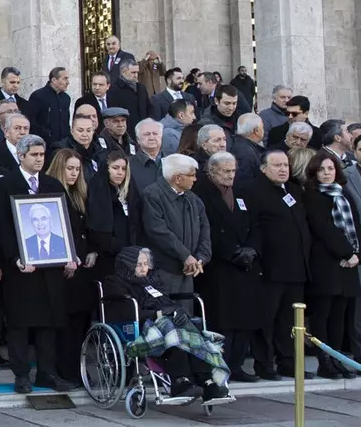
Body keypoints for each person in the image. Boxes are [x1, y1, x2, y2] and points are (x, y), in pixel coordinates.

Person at [0, 135, 74, 393]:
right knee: (20, 323)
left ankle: (47, 374)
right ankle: (21, 375)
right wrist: (15, 257)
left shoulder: (52, 184)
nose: (39, 159)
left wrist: (70, 253)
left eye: (41, 154)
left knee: (49, 323)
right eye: (34, 155)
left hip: (51, 267)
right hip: (21, 268)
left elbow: (65, 221)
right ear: (21, 156)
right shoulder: (6, 184)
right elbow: (2, 225)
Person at [105, 247, 231, 402]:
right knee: (173, 331)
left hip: (165, 322)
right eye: (139, 265)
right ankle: (180, 380)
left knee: (190, 330)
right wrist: (159, 314)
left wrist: (178, 311)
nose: (144, 268)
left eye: (146, 264)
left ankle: (207, 380)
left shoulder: (153, 280)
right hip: (140, 324)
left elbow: (167, 303)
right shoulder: (115, 282)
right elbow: (125, 311)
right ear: (127, 265)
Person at [192, 151, 262, 381]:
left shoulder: (241, 193)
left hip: (245, 265)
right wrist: (232, 253)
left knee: (244, 318)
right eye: (225, 171)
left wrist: (252, 249)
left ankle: (237, 365)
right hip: (220, 266)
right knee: (223, 319)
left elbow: (255, 224)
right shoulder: (201, 193)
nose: (231, 175)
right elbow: (206, 230)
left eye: (233, 171)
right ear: (212, 171)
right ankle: (220, 365)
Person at [250, 149, 310, 379]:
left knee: (290, 320)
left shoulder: (293, 190)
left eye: (285, 165)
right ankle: (265, 364)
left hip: (296, 268)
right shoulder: (254, 192)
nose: (283, 169)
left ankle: (288, 362)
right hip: (270, 268)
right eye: (277, 165)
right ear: (264, 169)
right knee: (267, 319)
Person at [301, 151, 361, 379]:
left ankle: (338, 360)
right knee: (323, 315)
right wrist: (346, 252)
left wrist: (356, 254)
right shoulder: (312, 196)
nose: (327, 173)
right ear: (314, 173)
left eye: (331, 168)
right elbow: (324, 228)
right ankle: (324, 361)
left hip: (348, 264)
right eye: (322, 170)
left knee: (339, 316)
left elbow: (355, 225)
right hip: (326, 263)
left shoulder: (343, 193)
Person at [46, 148, 98, 385]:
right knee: (66, 323)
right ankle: (66, 370)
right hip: (63, 269)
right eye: (69, 168)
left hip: (82, 267)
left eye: (77, 169)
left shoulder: (80, 195)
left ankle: (77, 370)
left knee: (80, 321)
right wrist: (67, 256)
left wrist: (92, 251)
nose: (74, 173)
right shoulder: (52, 193)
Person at [138, 154, 211, 305]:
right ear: (177, 178)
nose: (195, 179)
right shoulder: (152, 195)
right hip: (163, 270)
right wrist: (185, 255)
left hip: (188, 270)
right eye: (191, 175)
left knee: (186, 317)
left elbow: (205, 231)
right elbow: (158, 231)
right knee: (165, 316)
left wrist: (200, 258)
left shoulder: (194, 199)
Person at [87, 151, 135, 278]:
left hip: (130, 255)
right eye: (115, 168)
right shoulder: (98, 188)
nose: (120, 172)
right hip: (106, 255)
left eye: (123, 169)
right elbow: (97, 226)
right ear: (106, 169)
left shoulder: (130, 190)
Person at [27, 67, 71, 146]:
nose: (68, 82)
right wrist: (46, 133)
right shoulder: (38, 96)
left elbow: (66, 121)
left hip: (63, 144)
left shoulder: (66, 98)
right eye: (65, 79)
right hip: (44, 144)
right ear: (54, 80)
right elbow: (31, 121)